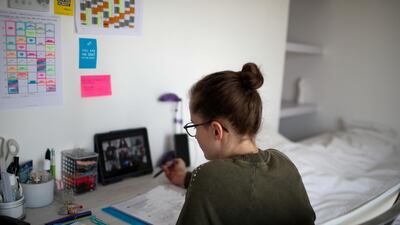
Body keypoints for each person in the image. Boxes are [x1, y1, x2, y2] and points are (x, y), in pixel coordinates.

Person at [163, 63, 316, 225]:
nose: (195, 135)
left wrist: (196, 181)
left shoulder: (207, 176)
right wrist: (185, 178)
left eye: (194, 126)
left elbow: (222, 184)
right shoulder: (284, 163)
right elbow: (243, 187)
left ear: (216, 131)